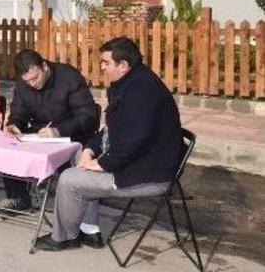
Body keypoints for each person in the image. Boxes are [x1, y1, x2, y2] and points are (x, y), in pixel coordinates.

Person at [35, 37, 183, 252]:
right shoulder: (132, 82)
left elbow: (136, 138)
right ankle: (89, 229)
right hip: (141, 162)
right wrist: (90, 149)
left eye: (106, 62)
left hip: (148, 174)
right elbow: (114, 130)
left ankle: (64, 237)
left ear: (123, 65)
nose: (101, 67)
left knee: (69, 179)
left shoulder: (141, 90)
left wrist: (104, 164)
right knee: (79, 154)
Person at [0, 49, 99, 212]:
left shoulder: (68, 76)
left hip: (72, 133)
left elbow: (87, 115)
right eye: (28, 81)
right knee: (10, 148)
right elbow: (18, 110)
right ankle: (18, 197)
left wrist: (60, 130)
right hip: (40, 133)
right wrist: (14, 124)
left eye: (36, 78)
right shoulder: (24, 84)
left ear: (44, 66)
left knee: (76, 161)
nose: (33, 84)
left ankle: (75, 208)